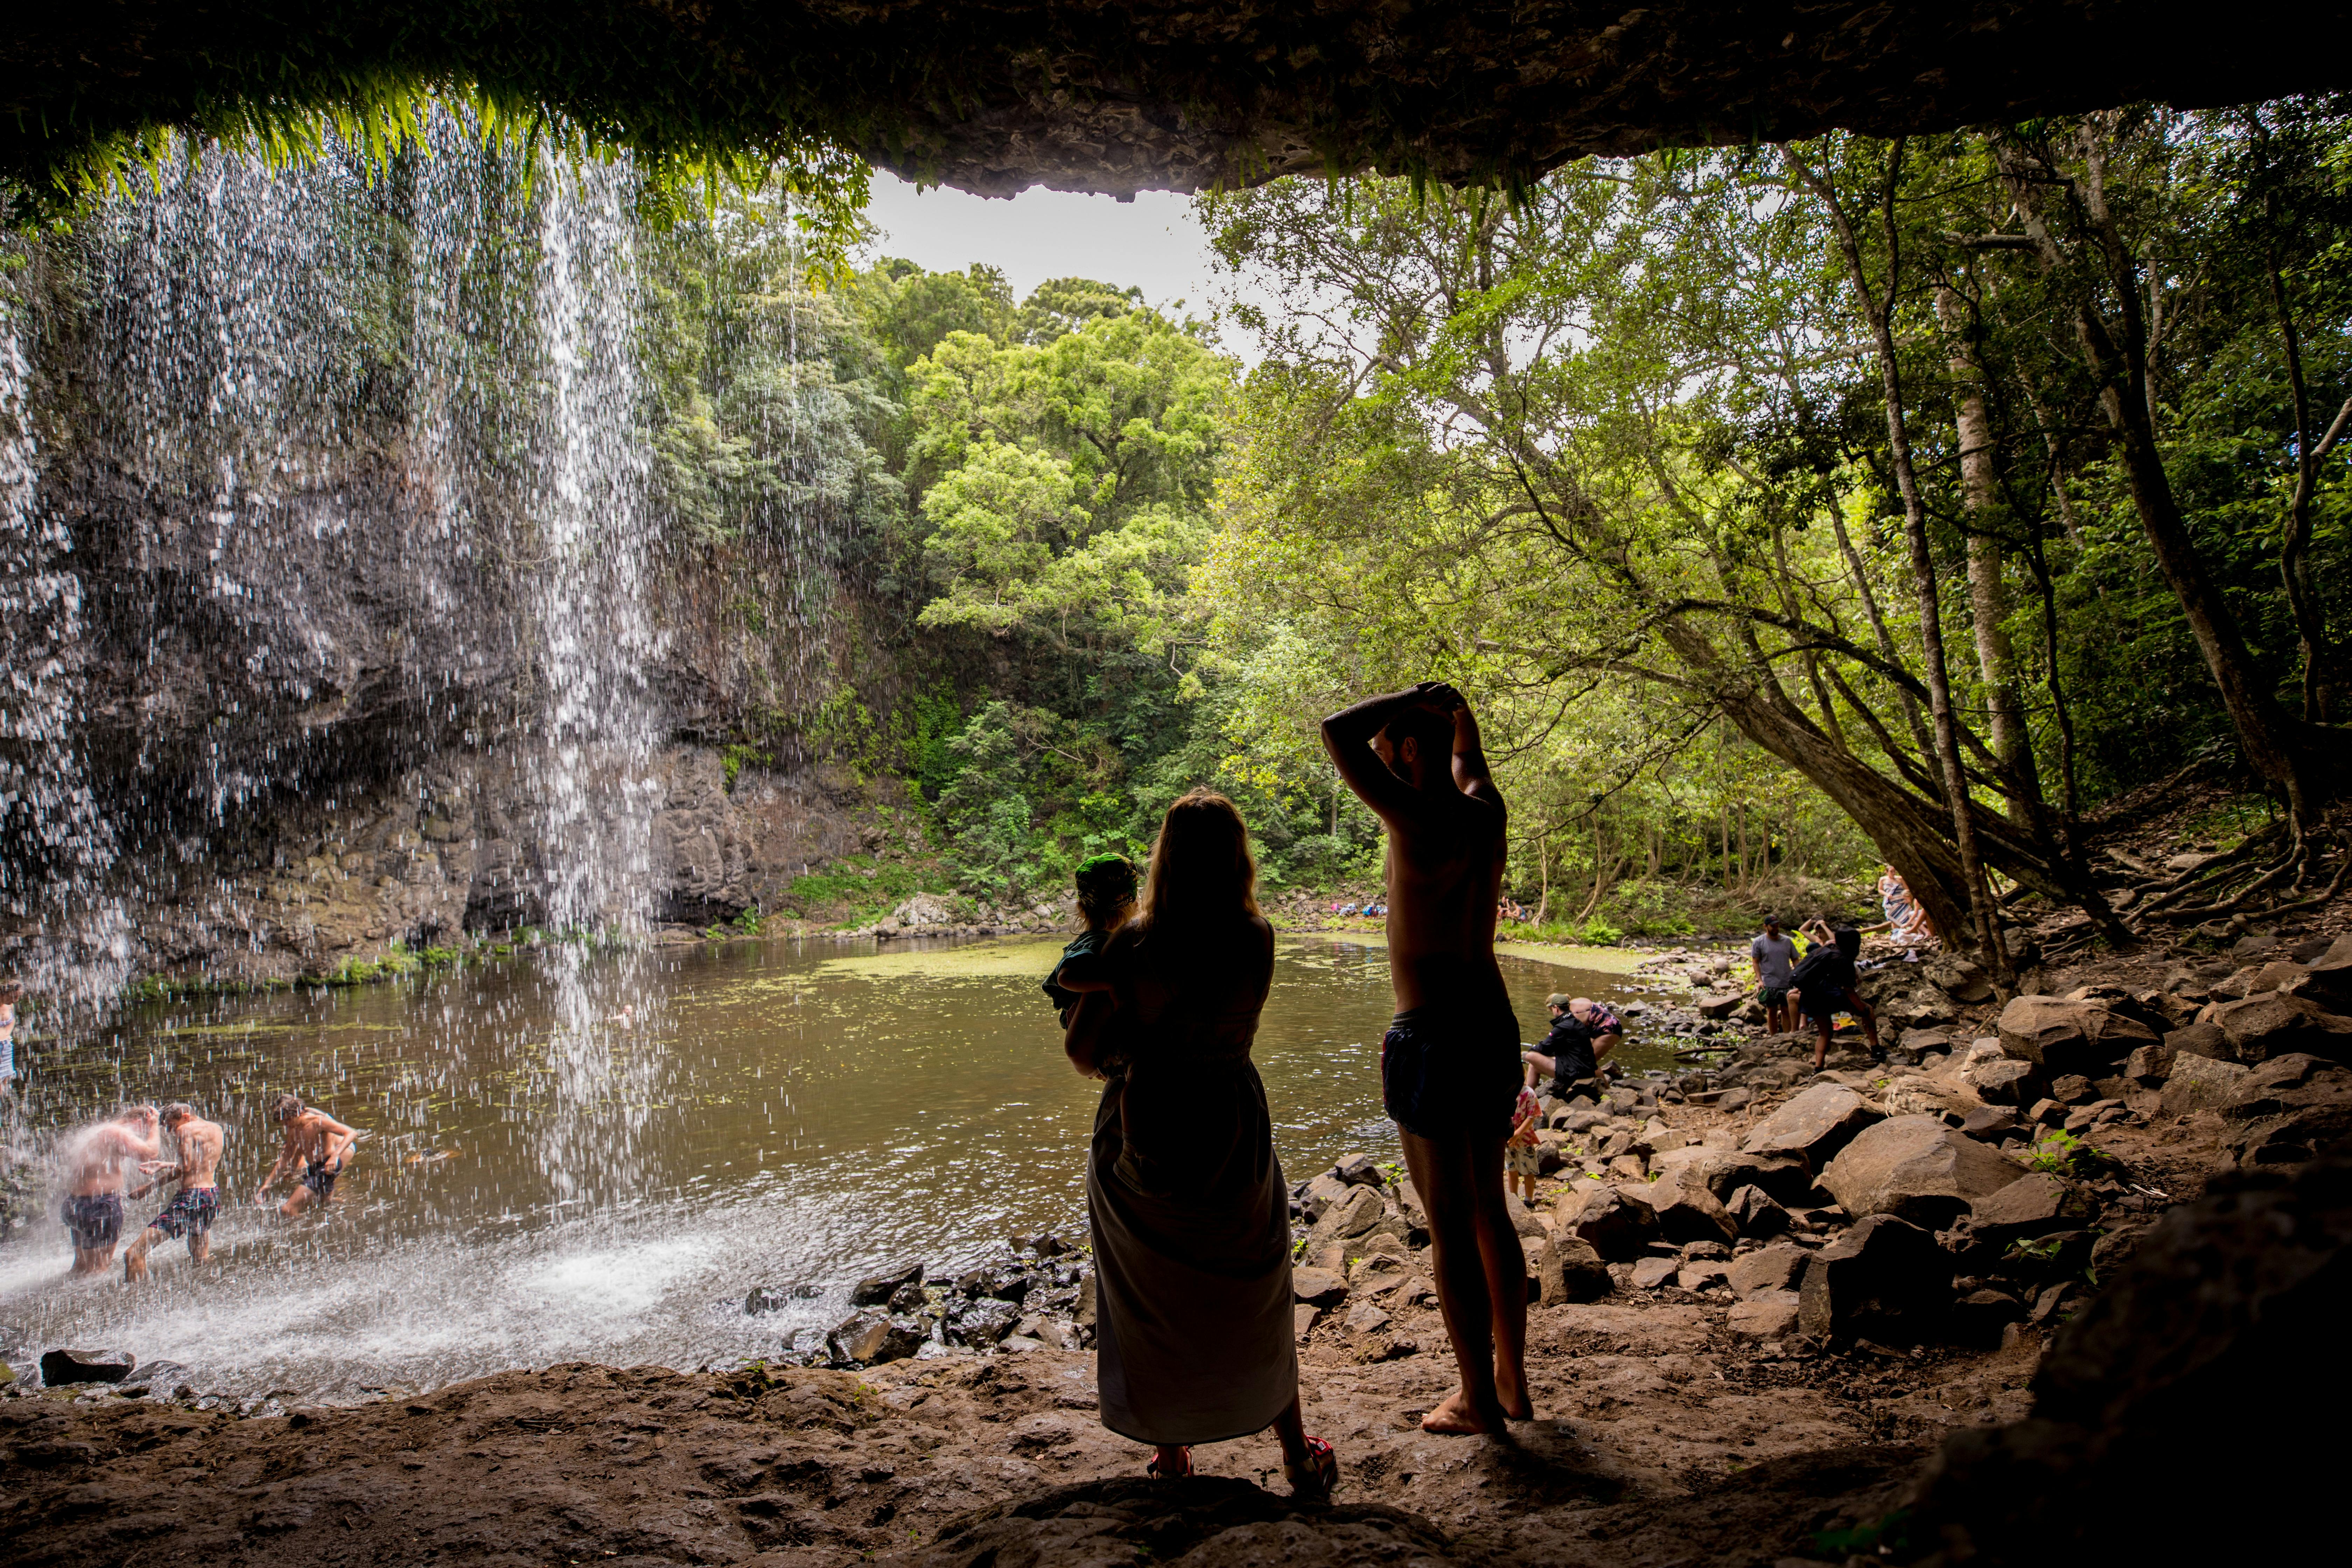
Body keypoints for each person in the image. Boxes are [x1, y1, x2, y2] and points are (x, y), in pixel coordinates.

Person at [1056, 790, 1338, 1496]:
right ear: (1239, 856)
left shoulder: (1137, 943)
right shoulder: (1259, 935)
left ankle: (1173, 1448)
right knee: (1258, 1278)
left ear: (1165, 858)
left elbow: (1082, 1052)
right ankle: (1296, 1452)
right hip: (1232, 1120)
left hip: (1151, 1125)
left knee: (1151, 1285)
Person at [1322, 680, 1528, 1435]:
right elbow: (1470, 757)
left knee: (1450, 1225)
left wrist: (1416, 695)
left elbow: (1336, 732)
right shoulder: (1484, 811)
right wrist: (1456, 709)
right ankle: (1513, 1383)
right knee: (1491, 1216)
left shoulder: (1417, 815)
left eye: (1390, 749)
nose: (1378, 759)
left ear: (1408, 750)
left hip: (1435, 1034)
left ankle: (1478, 1399)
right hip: (1494, 1024)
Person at [123, 1102, 225, 1282]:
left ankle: (136, 1304)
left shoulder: (185, 1130)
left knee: (134, 1254)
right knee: (201, 1259)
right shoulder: (216, 1129)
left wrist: (149, 1187)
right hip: (211, 1196)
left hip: (190, 1199)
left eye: (172, 1125)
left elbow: (185, 1168)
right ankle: (210, 1290)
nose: (172, 1131)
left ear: (186, 1116)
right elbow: (199, 1166)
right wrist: (164, 1165)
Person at [58, 1105, 162, 1274]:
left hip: (75, 1205)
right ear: (139, 1122)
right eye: (144, 1129)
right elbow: (149, 1154)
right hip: (99, 1207)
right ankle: (94, 1300)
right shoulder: (117, 1133)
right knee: (98, 1271)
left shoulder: (97, 1132)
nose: (141, 1137)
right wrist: (154, 1125)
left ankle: (67, 1298)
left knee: (81, 1267)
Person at [1043, 854, 1138, 1027]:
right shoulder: (1098, 941)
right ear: (1135, 906)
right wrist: (1111, 985)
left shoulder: (1096, 938)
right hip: (1082, 1023)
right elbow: (1064, 978)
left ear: (1081, 908)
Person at [1787, 919, 1884, 1071]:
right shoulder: (1843, 959)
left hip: (1811, 997)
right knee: (1869, 1010)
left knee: (1825, 1033)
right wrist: (1862, 1010)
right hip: (1828, 996)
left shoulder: (1827, 948)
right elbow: (1849, 990)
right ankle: (1876, 1050)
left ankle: (1818, 1068)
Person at [254, 1094, 362, 1216]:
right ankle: (338, 1211)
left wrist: (335, 1156)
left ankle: (304, 1231)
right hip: (315, 1167)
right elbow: (286, 1157)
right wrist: (267, 1184)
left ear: (298, 1113)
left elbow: (352, 1133)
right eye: (284, 1123)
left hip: (327, 1166)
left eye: (288, 1120)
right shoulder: (293, 1128)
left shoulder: (318, 1121)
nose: (287, 1125)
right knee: (323, 1203)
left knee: (288, 1209)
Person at [1522, 993, 1621, 1099]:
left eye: (1552, 1010)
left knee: (1590, 1060)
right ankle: (1526, 1095)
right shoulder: (1573, 1004)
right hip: (1603, 1026)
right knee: (1585, 1058)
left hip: (1608, 1029)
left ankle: (1607, 1091)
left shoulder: (1572, 1017)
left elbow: (1577, 1041)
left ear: (1556, 1008)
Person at [1751, 915, 1799, 1034]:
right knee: (1772, 1011)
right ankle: (1773, 1036)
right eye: (1773, 926)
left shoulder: (1787, 941)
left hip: (1786, 981)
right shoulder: (1759, 942)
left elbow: (1795, 959)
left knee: (1786, 1010)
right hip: (1769, 982)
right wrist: (1760, 980)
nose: (1776, 928)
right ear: (1765, 927)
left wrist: (1797, 975)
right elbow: (1756, 962)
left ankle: (1787, 1036)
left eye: (1777, 926)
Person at [1504, 1070, 1543, 1204]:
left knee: (1529, 1171)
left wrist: (1518, 1134)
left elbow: (1532, 1116)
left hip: (1525, 1139)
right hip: (1509, 1140)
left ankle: (1529, 1200)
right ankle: (1514, 1198)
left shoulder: (1529, 1093)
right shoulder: (1507, 1091)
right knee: (1512, 1169)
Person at [0, 978, 20, 1106]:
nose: (16, 1000)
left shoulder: (10, 1006)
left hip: (6, 1049)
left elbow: (12, 1022)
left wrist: (7, 1033)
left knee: (3, 1085)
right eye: (14, 997)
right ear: (6, 993)